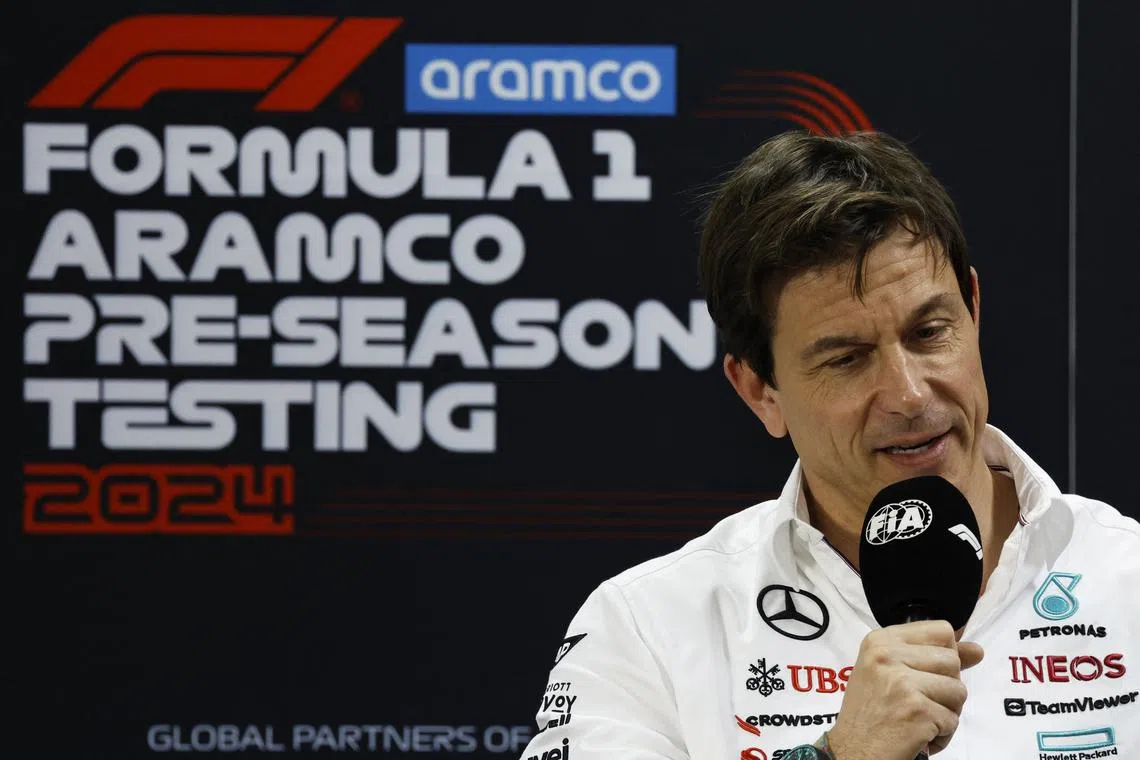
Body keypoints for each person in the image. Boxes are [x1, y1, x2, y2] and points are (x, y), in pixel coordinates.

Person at [514, 131, 1140, 760]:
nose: (910, 395)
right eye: (847, 359)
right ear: (760, 391)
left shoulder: (1128, 580)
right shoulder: (648, 628)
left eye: (929, 331)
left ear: (973, 311)